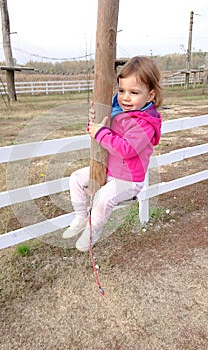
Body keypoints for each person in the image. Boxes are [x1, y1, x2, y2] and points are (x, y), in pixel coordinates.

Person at [63, 56, 163, 252]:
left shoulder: (145, 124)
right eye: (122, 90)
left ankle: (92, 233)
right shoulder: (117, 110)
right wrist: (94, 122)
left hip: (129, 179)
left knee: (102, 199)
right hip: (109, 170)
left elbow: (126, 149)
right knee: (75, 178)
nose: (125, 97)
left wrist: (100, 132)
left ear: (150, 95)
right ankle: (80, 217)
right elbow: (98, 131)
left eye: (134, 92)